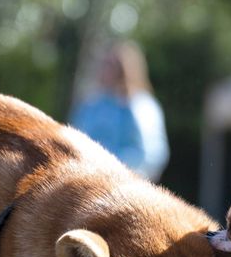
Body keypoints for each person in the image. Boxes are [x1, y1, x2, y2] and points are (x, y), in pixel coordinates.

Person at [70, 41, 170, 181]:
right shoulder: (91, 105)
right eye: (104, 64)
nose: (103, 69)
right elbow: (76, 140)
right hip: (87, 180)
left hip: (126, 185)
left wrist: (110, 170)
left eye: (110, 65)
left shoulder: (141, 106)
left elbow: (151, 154)